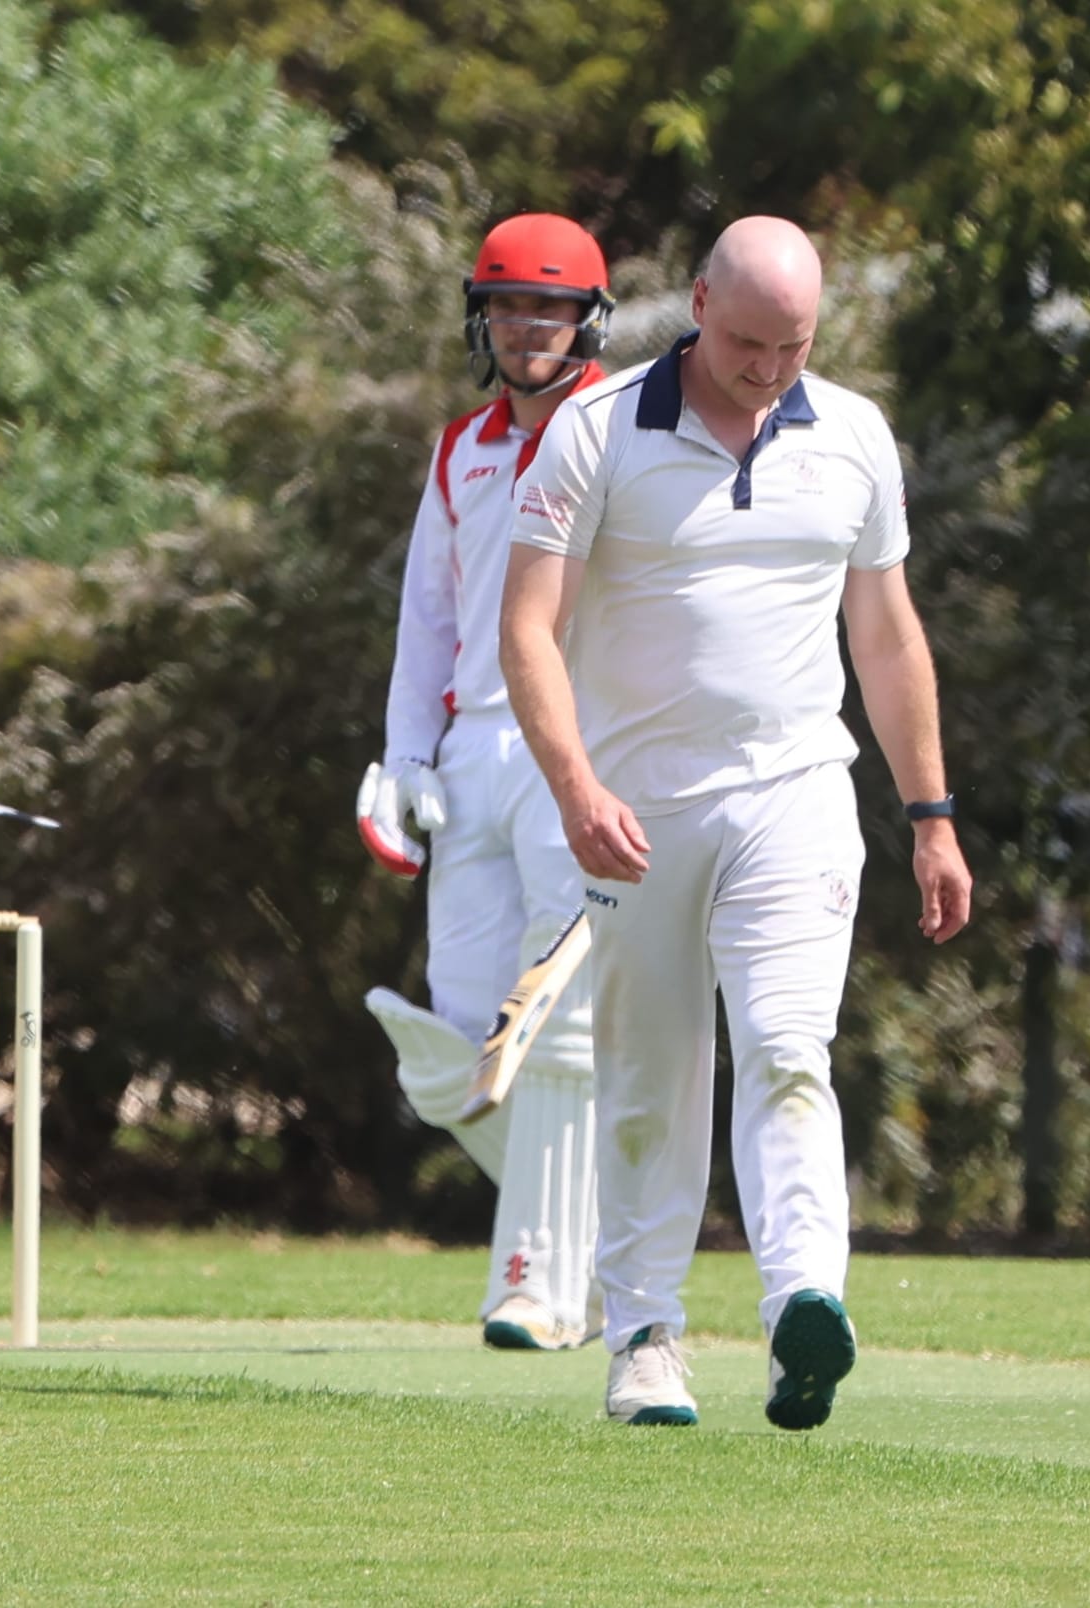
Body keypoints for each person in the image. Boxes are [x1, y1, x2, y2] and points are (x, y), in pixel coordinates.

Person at [498, 216, 974, 1428]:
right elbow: (526, 630)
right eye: (751, 341)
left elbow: (884, 635)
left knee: (785, 1050)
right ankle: (645, 1340)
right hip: (634, 812)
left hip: (797, 796)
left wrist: (929, 813)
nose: (770, 369)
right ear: (697, 303)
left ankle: (802, 1302)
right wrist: (572, 787)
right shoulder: (592, 434)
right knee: (652, 1077)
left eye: (795, 345)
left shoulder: (854, 434)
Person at [358, 213, 614, 1352]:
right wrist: (401, 755)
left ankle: (531, 1285)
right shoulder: (460, 446)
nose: (528, 328)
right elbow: (426, 616)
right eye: (509, 306)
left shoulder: (622, 430)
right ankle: (611, 1256)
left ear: (584, 321)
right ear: (482, 318)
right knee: (457, 1045)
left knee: (553, 1032)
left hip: (578, 747)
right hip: (468, 758)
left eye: (549, 308)